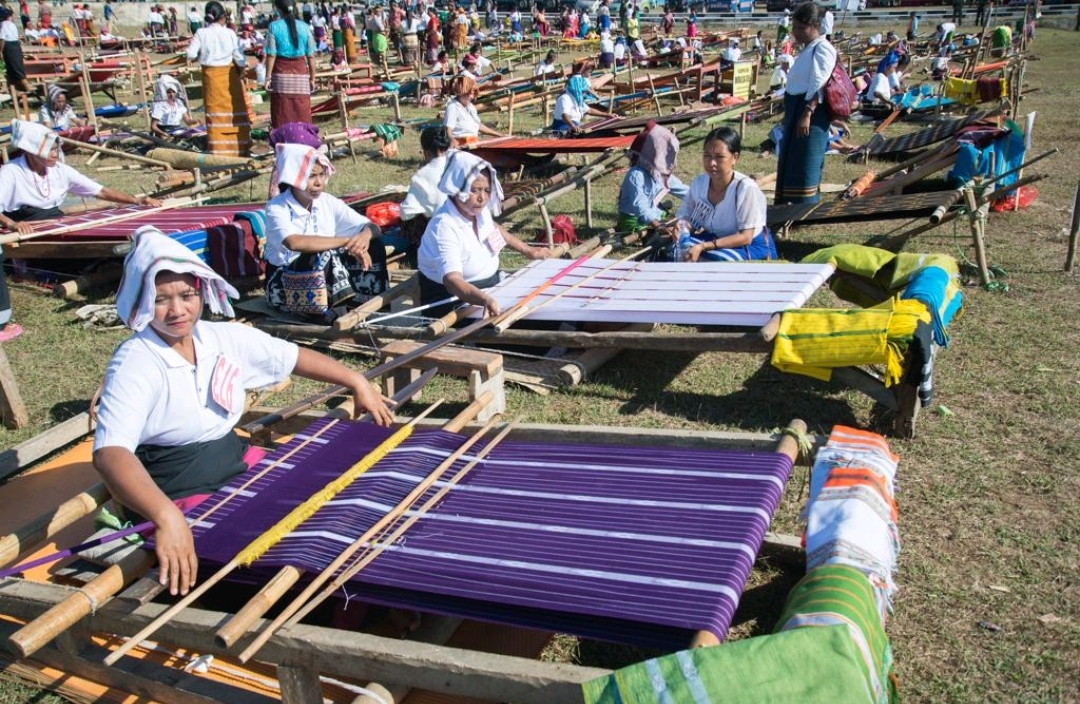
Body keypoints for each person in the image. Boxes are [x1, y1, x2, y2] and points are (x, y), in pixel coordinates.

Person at [94, 227, 392, 597]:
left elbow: (292, 356)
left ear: (201, 291)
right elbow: (110, 453)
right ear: (142, 301)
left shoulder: (218, 338)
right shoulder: (135, 361)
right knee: (270, 554)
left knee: (336, 499)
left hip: (235, 460)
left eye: (187, 295)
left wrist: (356, 381)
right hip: (177, 487)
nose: (177, 310)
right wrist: (166, 516)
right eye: (161, 299)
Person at [0, 121, 162, 342]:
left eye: (57, 148)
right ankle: (28, 263)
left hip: (54, 224)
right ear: (32, 151)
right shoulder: (11, 173)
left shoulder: (59, 171)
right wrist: (12, 224)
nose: (56, 153)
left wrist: (137, 201)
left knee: (91, 247)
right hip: (27, 227)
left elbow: (99, 191)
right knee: (80, 258)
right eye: (51, 149)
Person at [417, 151, 553, 318]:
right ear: (458, 188)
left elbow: (493, 228)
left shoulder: (478, 213)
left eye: (487, 190)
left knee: (544, 305)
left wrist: (528, 250)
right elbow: (453, 281)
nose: (482, 197)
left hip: (492, 287)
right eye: (475, 190)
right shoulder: (444, 227)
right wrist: (484, 300)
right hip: (454, 301)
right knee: (528, 320)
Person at [264, 143, 390, 321]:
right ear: (294, 177)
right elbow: (294, 242)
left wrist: (363, 237)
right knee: (322, 254)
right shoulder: (277, 207)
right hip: (282, 282)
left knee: (373, 244)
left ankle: (368, 307)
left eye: (322, 174)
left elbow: (371, 227)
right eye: (311, 176)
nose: (319, 182)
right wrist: (347, 241)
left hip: (321, 276)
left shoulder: (327, 202)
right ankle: (327, 314)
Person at [676, 127, 774, 262]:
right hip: (713, 240)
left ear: (735, 158)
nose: (712, 163)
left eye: (719, 157)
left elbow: (746, 237)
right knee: (677, 250)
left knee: (714, 261)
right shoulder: (699, 184)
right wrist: (682, 229)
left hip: (748, 246)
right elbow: (686, 216)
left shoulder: (745, 188)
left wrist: (704, 246)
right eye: (707, 156)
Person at [774, 2, 835, 205]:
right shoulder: (809, 48)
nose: (796, 32)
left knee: (805, 160)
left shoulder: (823, 48)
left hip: (809, 112)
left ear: (816, 25)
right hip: (796, 110)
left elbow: (821, 84)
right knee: (791, 158)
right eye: (795, 27)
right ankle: (788, 204)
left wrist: (807, 113)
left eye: (802, 28)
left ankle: (802, 206)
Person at [187, 1, 250, 156]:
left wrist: (202, 55)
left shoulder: (201, 33)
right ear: (223, 17)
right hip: (229, 79)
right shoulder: (229, 33)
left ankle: (219, 149)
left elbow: (190, 54)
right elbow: (240, 58)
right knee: (233, 112)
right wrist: (241, 70)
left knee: (216, 116)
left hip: (212, 79)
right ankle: (239, 147)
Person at [617, 123, 688, 233]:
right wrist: (658, 226)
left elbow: (685, 191)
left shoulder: (660, 174)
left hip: (652, 214)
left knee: (680, 223)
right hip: (634, 221)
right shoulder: (636, 175)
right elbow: (640, 207)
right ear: (655, 154)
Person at [400, 125, 452, 259]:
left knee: (409, 221)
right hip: (466, 222)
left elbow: (406, 213)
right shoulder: (460, 163)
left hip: (443, 232)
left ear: (426, 152)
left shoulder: (422, 175)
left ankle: (419, 250)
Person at [265, 0, 315, 128]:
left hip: (281, 74)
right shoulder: (305, 27)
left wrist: (268, 77)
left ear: (278, 10)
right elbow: (311, 56)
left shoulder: (274, 26)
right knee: (301, 108)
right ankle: (303, 139)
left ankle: (283, 141)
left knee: (282, 110)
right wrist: (313, 78)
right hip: (301, 74)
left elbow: (271, 54)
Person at [443, 75, 503, 145]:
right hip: (461, 144)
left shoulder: (470, 107)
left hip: (473, 142)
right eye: (469, 94)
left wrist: (500, 135)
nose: (471, 97)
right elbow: (448, 130)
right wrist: (452, 140)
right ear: (461, 94)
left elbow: (478, 126)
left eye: (473, 94)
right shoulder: (453, 107)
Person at [0, 7, 28, 98]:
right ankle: (13, 89)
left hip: (9, 47)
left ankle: (26, 87)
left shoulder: (3, 25)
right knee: (14, 67)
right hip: (16, 45)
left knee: (14, 67)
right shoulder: (12, 24)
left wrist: (0, 51)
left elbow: (2, 39)